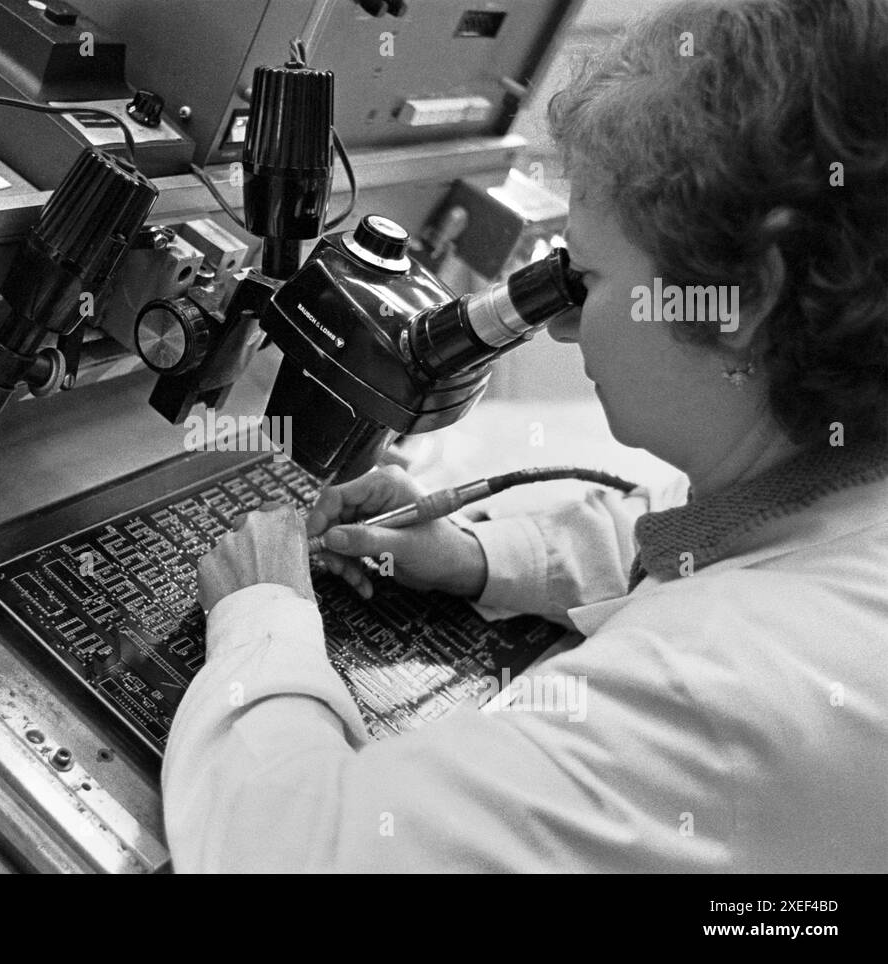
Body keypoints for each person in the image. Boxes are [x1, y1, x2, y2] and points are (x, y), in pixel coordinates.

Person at [160, 0, 888, 872]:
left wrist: (262, 618)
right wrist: (478, 555)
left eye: (585, 280)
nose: (566, 330)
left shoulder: (731, 692)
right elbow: (703, 540)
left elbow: (294, 853)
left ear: (741, 298)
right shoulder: (838, 497)